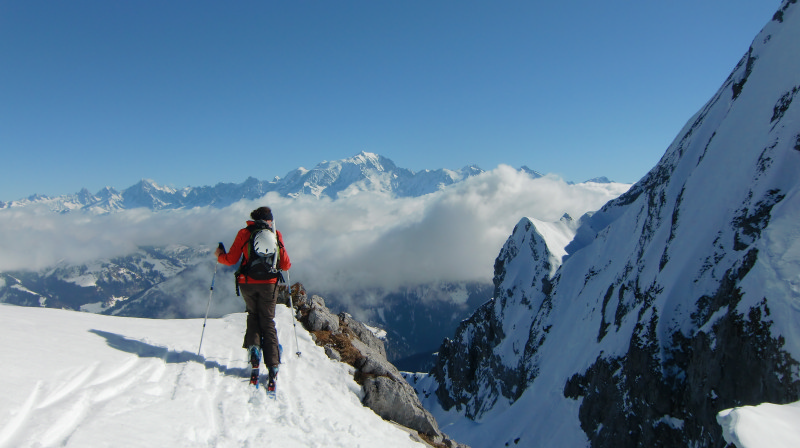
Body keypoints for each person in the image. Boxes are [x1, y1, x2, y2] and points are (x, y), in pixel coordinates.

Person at [215, 206, 291, 390]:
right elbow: (286, 265)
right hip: (269, 285)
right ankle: (273, 365)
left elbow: (231, 259)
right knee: (268, 321)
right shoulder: (275, 234)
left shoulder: (244, 233)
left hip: (247, 282)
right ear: (269, 220)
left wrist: (219, 256)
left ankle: (254, 350)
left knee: (253, 316)